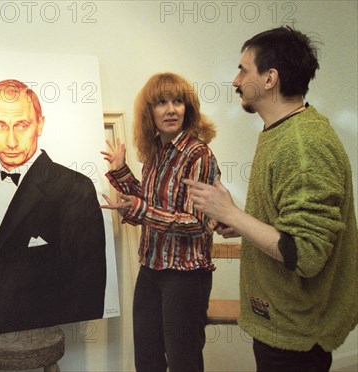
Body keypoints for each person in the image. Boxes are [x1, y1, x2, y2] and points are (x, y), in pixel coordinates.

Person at [184, 26, 358, 371]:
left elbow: (305, 254)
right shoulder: (283, 131)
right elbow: (289, 223)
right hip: (280, 323)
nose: (235, 81)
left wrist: (232, 214)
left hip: (296, 334)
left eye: (243, 69)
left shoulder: (303, 145)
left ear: (270, 79)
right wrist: (243, 222)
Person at [0, 79, 106, 338]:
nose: (12, 141)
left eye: (22, 125)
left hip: (45, 350)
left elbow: (88, 288)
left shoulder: (74, 187)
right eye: (0, 126)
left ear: (40, 124)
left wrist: (59, 348)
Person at [101, 72, 220, 372]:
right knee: (148, 360)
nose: (171, 109)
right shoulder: (155, 153)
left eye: (178, 101)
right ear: (149, 112)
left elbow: (198, 222)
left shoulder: (199, 155)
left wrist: (141, 210)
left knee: (183, 362)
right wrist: (121, 171)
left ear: (187, 108)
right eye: (162, 102)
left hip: (186, 276)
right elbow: (153, 204)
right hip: (151, 269)